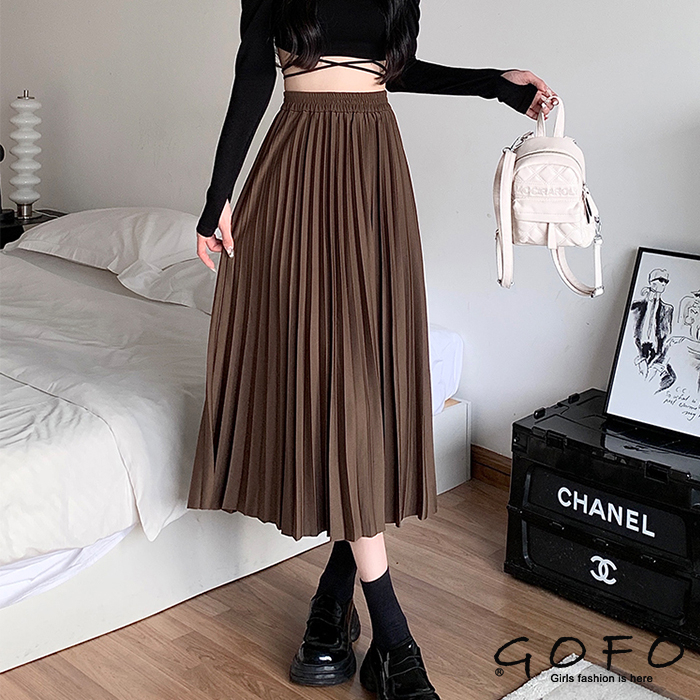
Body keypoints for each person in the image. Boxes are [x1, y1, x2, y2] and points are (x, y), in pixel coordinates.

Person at [187, 1, 555, 698]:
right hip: (297, 168)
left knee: (359, 379)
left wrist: (494, 85)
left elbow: (395, 68)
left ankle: (334, 597)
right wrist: (218, 197)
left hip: (373, 167)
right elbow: (252, 73)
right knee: (328, 371)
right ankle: (393, 639)